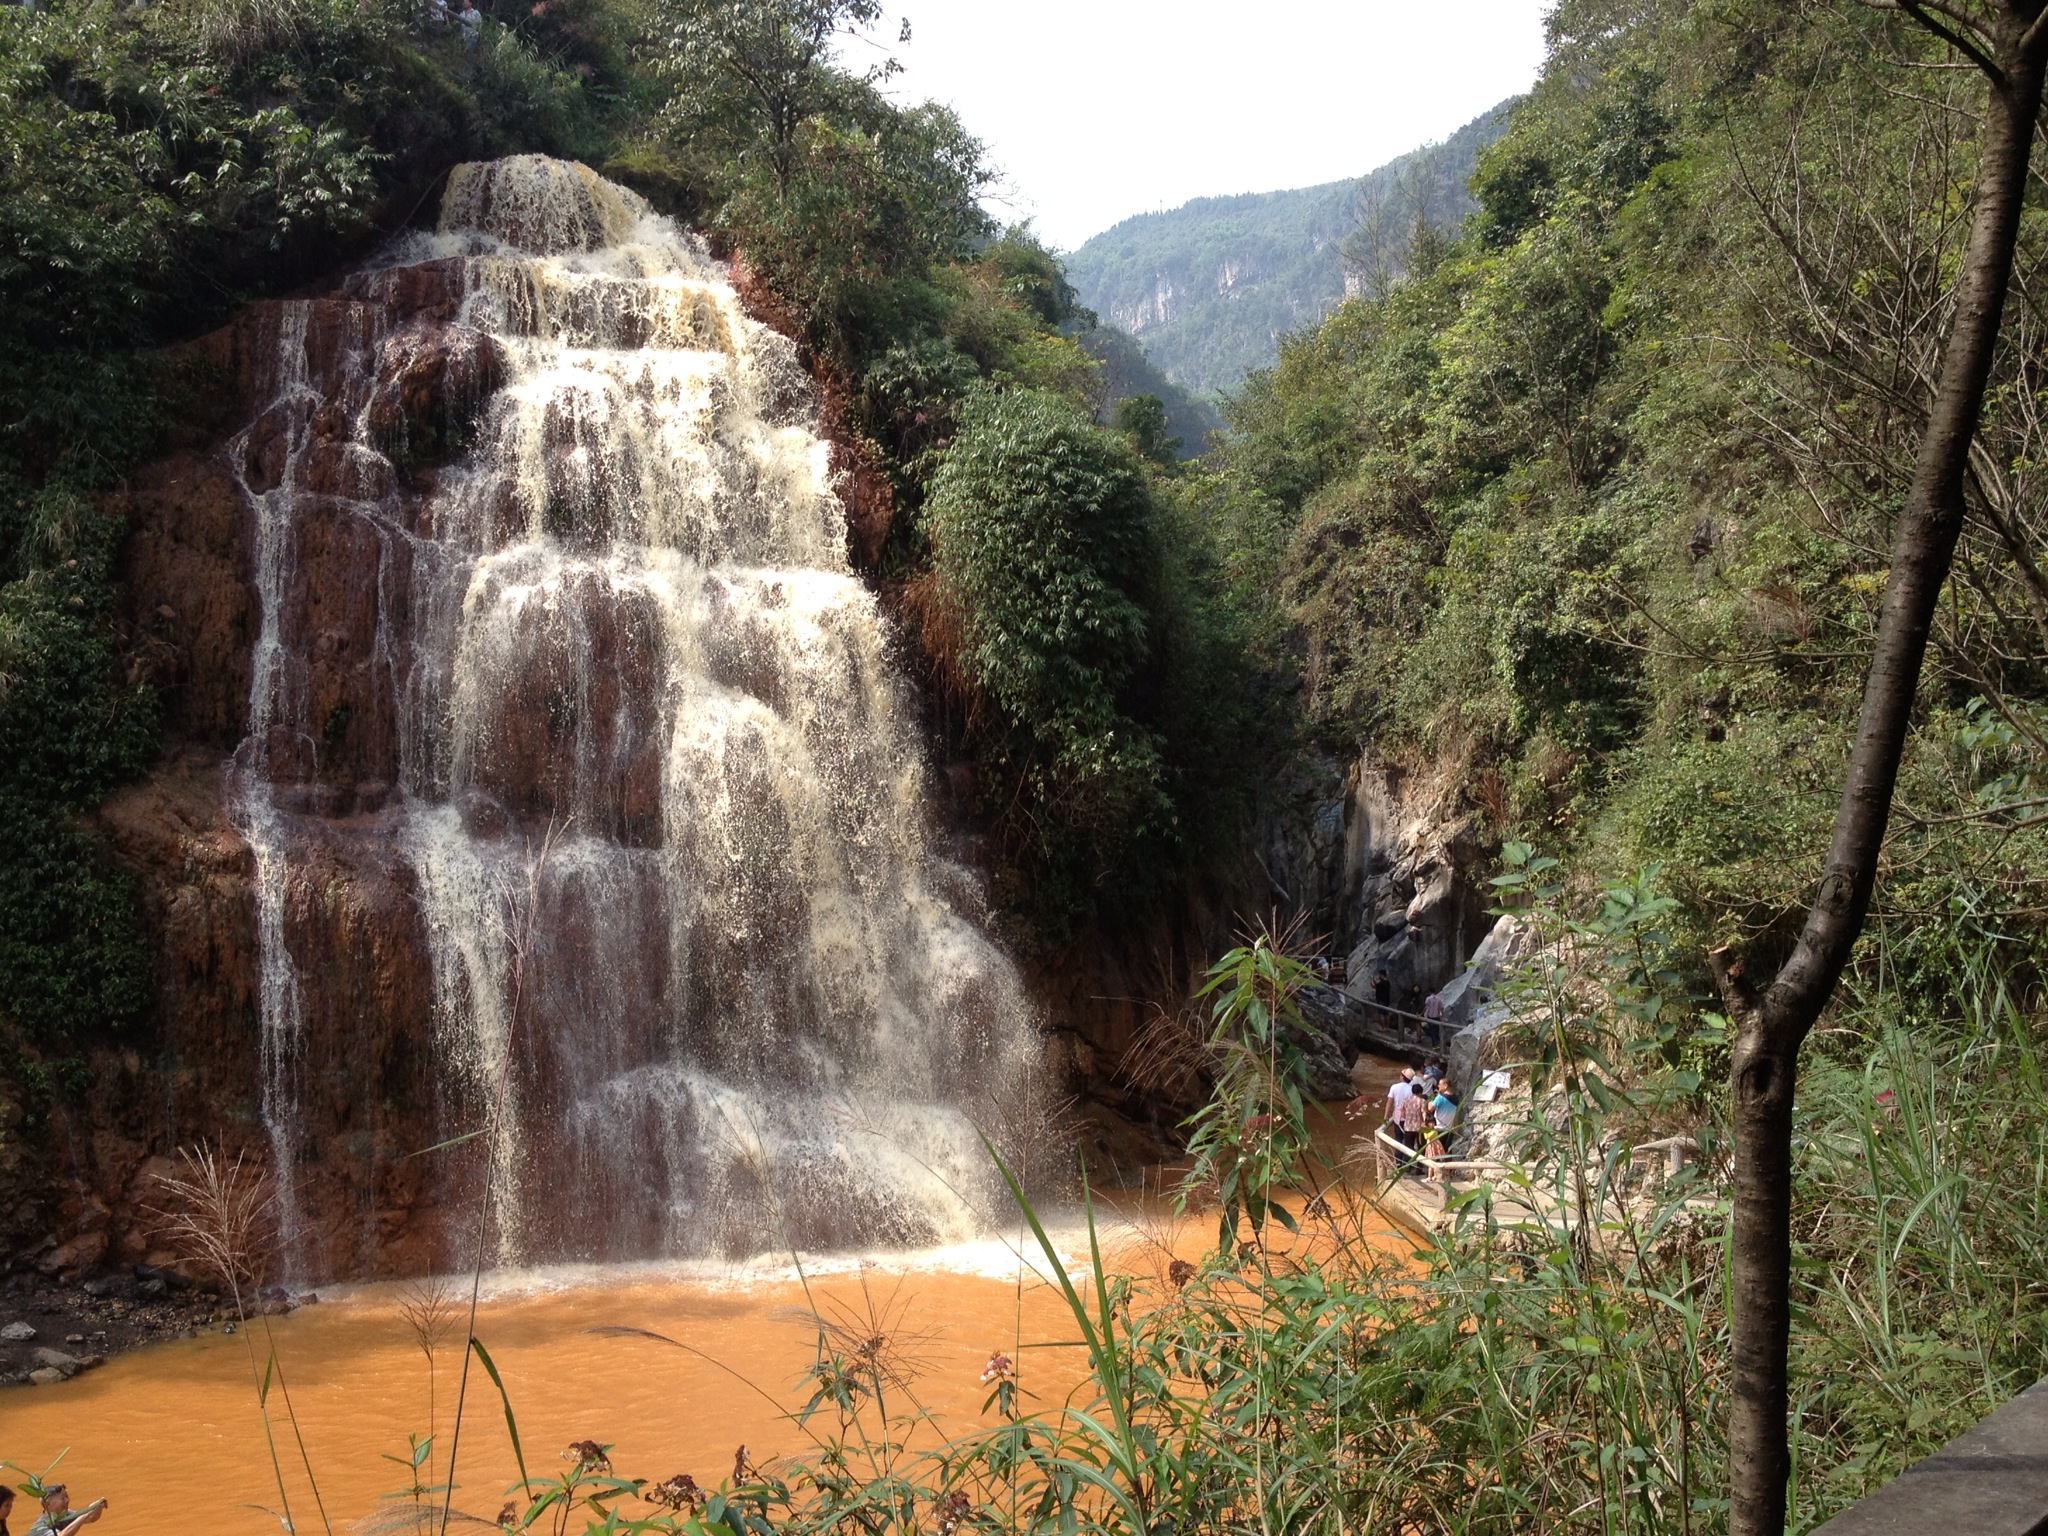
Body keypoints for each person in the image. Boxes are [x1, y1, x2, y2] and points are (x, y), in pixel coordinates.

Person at [27, 1486, 105, 1536]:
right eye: (62, 1498)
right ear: (47, 1504)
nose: (67, 1500)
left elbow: (91, 1518)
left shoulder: (66, 1514)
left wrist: (97, 1508)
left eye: (67, 1496)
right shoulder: (41, 1526)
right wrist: (83, 1516)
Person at [1395, 1077, 1429, 1170]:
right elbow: (1424, 1113)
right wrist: (1424, 1121)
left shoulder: (1406, 1100)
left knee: (1408, 1147)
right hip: (1419, 1128)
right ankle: (1419, 1168)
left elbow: (1402, 1113)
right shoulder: (1422, 1101)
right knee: (1420, 1147)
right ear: (1420, 1092)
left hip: (1408, 1127)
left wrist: (1407, 1118)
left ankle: (1408, 1167)